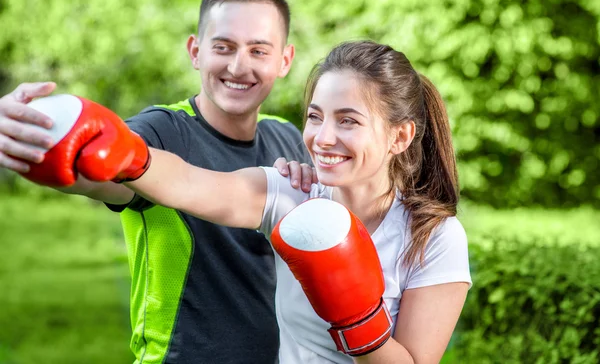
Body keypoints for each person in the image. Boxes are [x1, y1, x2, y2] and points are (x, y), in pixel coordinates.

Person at [28, 40, 472, 363]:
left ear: (401, 135)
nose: (323, 137)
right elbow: (187, 183)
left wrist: (359, 321)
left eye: (348, 120)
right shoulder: (290, 194)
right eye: (315, 116)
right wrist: (125, 151)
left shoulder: (434, 237)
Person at [0, 0, 317, 364]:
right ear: (195, 51)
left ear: (284, 60)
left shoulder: (287, 139)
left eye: (258, 50)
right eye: (223, 47)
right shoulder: (160, 131)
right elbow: (104, 174)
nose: (239, 65)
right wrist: (32, 139)